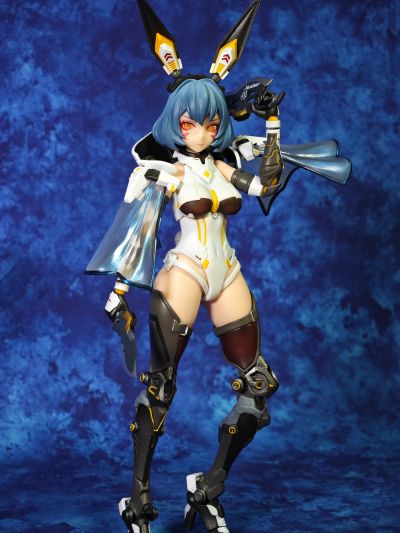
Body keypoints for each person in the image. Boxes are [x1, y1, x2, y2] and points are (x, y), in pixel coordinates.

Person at [85, 1, 351, 532]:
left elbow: (266, 184)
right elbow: (138, 223)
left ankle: (207, 487)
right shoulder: (167, 170)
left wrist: (272, 121)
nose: (203, 131)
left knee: (259, 384)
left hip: (225, 270)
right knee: (161, 388)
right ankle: (138, 495)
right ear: (176, 123)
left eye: (211, 122)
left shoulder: (227, 165)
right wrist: (121, 288)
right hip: (184, 269)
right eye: (192, 122)